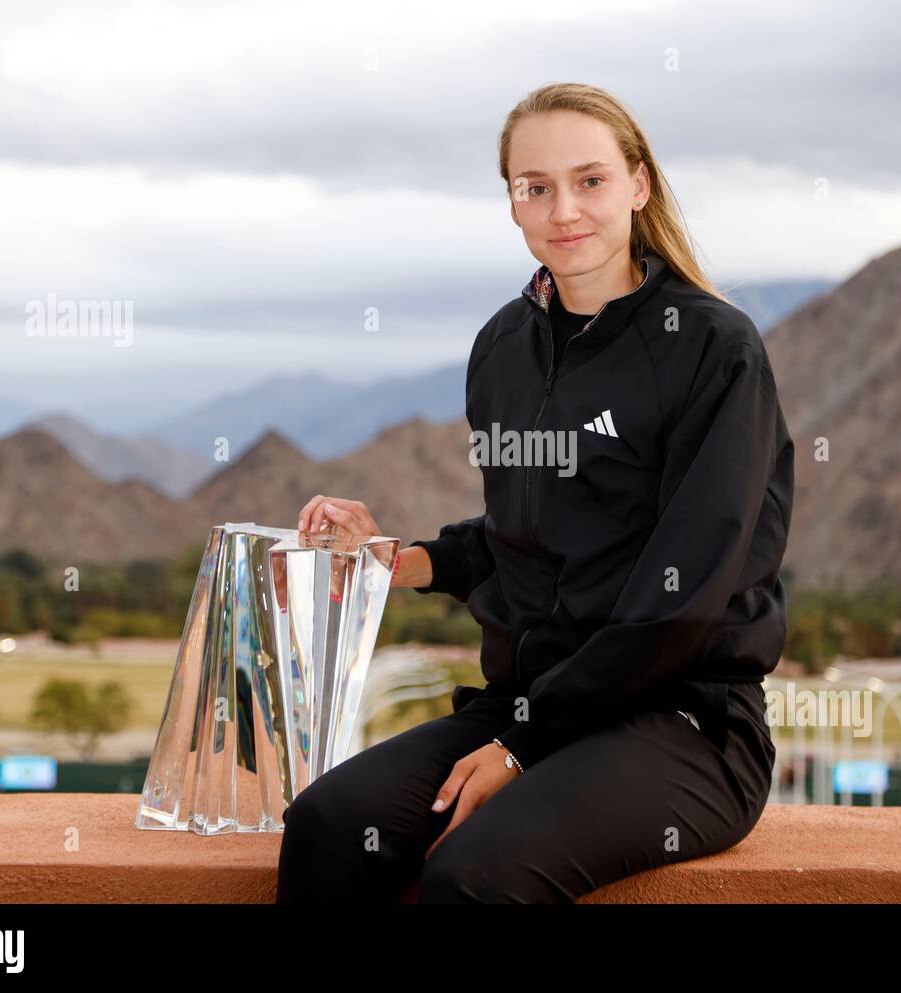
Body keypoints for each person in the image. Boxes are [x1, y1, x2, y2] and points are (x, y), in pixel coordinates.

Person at [276, 81, 794, 904]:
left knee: (473, 877)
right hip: (526, 705)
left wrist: (523, 743)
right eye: (536, 187)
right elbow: (523, 535)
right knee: (326, 825)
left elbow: (687, 589)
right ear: (512, 201)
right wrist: (398, 560)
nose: (565, 211)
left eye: (590, 180)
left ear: (638, 184)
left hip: (681, 724)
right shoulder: (503, 348)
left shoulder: (713, 348)